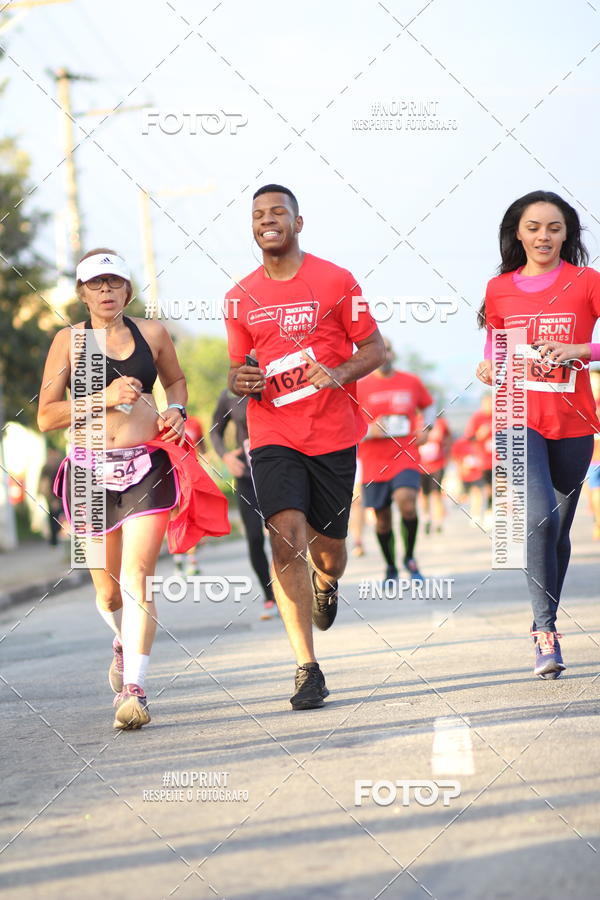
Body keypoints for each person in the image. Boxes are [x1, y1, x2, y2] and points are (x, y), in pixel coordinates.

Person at [38, 248, 229, 730]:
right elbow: (46, 416)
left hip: (145, 467)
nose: (106, 292)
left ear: (127, 289)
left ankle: (136, 689)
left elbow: (178, 381)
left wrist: (176, 411)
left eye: (114, 283)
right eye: (96, 285)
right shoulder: (68, 341)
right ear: (82, 294)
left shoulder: (153, 334)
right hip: (87, 473)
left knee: (137, 574)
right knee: (106, 590)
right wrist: (102, 398)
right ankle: (121, 640)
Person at [224, 184, 384, 710]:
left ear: (298, 221)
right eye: (257, 215)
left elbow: (374, 348)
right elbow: (237, 369)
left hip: (334, 433)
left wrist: (336, 373)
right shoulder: (238, 297)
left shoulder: (337, 280)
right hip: (272, 432)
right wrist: (242, 380)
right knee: (283, 536)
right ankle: (306, 668)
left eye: (277, 213)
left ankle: (326, 581)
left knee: (329, 551)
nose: (266, 221)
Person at [476, 190, 600, 679]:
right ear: (518, 233)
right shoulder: (498, 288)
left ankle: (540, 617)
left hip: (572, 420)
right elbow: (496, 342)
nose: (543, 236)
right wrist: (490, 364)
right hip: (515, 415)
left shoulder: (586, 282)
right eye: (533, 227)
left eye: (553, 227)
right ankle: (546, 634)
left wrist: (578, 350)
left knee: (559, 532)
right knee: (538, 519)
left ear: (567, 232)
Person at [356, 338, 434, 583]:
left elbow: (429, 406)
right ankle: (390, 566)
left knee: (407, 503)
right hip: (373, 461)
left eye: (388, 349)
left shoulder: (411, 382)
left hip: (406, 456)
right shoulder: (358, 386)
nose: (385, 354)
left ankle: (409, 558)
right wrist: (370, 430)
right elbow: (346, 422)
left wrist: (427, 428)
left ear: (392, 353)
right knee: (382, 520)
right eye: (381, 350)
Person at [211, 387, 277, 618]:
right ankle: (271, 595)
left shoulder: (276, 381)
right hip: (247, 476)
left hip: (280, 470)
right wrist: (226, 456)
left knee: (287, 535)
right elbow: (214, 431)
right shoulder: (229, 393)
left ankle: (296, 587)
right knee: (255, 537)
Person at [173, 414, 206, 576]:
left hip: (192, 475)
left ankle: (193, 561)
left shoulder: (194, 423)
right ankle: (178, 561)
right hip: (172, 475)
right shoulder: (163, 422)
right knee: (174, 519)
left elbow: (203, 445)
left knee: (190, 518)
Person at [419, 412, 452, 534]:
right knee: (424, 494)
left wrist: (447, 455)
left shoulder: (441, 423)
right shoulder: (416, 420)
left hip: (437, 464)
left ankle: (438, 521)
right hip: (420, 466)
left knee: (436, 493)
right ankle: (426, 518)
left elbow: (448, 438)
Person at [464, 393, 493, 526]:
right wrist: (479, 434)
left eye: (491, 403)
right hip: (481, 460)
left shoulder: (500, 416)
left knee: (494, 486)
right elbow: (469, 437)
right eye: (486, 403)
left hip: (497, 459)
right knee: (478, 488)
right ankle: (476, 514)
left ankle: (489, 512)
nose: (489, 406)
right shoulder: (477, 418)